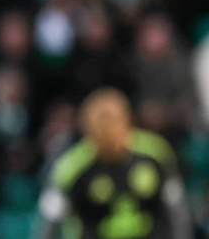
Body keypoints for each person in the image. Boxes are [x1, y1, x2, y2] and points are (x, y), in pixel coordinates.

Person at [35, 88, 190, 239]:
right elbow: (50, 221)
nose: (109, 130)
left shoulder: (154, 153)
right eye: (101, 124)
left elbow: (177, 210)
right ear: (87, 127)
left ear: (127, 120)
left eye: (114, 121)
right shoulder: (72, 168)